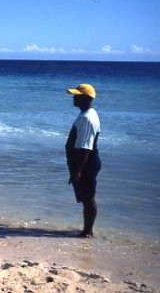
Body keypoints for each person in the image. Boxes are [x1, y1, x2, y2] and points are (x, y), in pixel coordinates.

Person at [65, 83, 101, 238]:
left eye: (77, 95)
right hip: (84, 163)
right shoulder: (86, 113)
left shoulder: (87, 118)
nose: (74, 97)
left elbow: (85, 148)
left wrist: (77, 171)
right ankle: (87, 229)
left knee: (88, 198)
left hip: (86, 163)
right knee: (86, 197)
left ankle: (87, 231)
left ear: (86, 98)